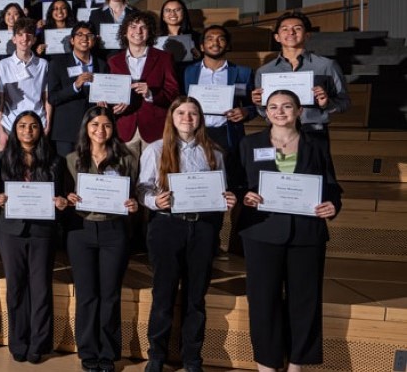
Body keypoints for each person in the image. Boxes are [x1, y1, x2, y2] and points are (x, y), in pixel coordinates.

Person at [239, 89, 341, 372]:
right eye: (273, 106)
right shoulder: (250, 143)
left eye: (287, 106)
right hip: (262, 231)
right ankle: (267, 365)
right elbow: (238, 183)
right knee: (262, 301)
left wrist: (333, 204)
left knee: (304, 302)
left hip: (307, 233)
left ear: (298, 111)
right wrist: (246, 196)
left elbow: (331, 184)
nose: (279, 111)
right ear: (266, 111)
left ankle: (297, 364)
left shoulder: (316, 143)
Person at [136, 96, 237, 372]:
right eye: (181, 112)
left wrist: (227, 199)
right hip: (167, 227)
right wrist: (155, 201)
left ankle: (192, 357)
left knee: (196, 297)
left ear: (200, 119)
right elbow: (142, 187)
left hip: (202, 228)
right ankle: (156, 355)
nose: (187, 118)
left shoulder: (214, 152)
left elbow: (221, 190)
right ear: (172, 116)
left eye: (193, 113)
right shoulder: (155, 150)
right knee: (163, 294)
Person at [63, 106, 139, 372]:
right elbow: (64, 196)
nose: (100, 130)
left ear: (113, 128)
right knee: (87, 295)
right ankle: (87, 351)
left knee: (109, 295)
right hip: (81, 232)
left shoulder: (126, 158)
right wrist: (69, 198)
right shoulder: (72, 159)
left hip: (113, 231)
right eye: (95, 125)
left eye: (106, 125)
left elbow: (136, 192)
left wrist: (134, 204)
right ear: (86, 127)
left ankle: (107, 352)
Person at [0, 111, 70, 364]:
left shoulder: (55, 161)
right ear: (15, 130)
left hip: (42, 232)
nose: (28, 131)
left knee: (40, 289)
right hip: (11, 230)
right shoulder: (3, 159)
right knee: (15, 288)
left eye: (34, 126)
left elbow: (63, 196)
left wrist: (61, 202)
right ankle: (18, 341)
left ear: (41, 130)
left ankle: (39, 343)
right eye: (23, 126)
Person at [182, 25, 256, 195]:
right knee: (199, 183)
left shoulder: (242, 73)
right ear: (201, 46)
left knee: (231, 185)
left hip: (227, 134)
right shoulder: (188, 72)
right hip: (196, 133)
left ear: (228, 45)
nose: (215, 42)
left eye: (221, 38)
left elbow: (253, 106)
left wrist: (245, 112)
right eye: (209, 38)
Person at [252, 12, 350, 138]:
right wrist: (259, 103)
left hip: (314, 131)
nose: (291, 32)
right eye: (285, 29)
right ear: (277, 37)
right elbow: (263, 112)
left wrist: (326, 104)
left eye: (297, 28)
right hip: (278, 133)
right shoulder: (264, 71)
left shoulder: (326, 65)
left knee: (315, 159)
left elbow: (344, 102)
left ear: (307, 35)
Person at [108, 11, 179, 158]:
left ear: (150, 32)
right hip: (125, 128)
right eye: (133, 27)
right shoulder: (114, 61)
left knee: (154, 177)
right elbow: (109, 93)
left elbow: (174, 94)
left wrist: (151, 94)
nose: (138, 31)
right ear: (125, 32)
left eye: (143, 27)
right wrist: (113, 105)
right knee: (126, 175)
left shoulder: (164, 58)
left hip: (156, 128)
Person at [47, 22, 105, 157]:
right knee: (66, 174)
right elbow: (53, 97)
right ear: (72, 40)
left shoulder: (102, 65)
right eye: (79, 35)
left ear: (94, 40)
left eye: (89, 35)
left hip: (94, 131)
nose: (84, 38)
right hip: (66, 131)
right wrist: (75, 86)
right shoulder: (57, 63)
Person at [0, 18, 50, 151]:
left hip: (37, 122)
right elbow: (0, 101)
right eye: (20, 34)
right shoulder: (3, 65)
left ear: (34, 39)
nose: (24, 38)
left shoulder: (43, 64)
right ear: (14, 39)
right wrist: (0, 129)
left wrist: (47, 124)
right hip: (10, 123)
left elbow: (46, 98)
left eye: (28, 35)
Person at [156, 0, 202, 81]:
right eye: (168, 10)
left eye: (177, 10)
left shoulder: (197, 37)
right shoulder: (155, 39)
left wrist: (198, 56)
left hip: (189, 80)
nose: (172, 13)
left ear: (184, 13)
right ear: (163, 16)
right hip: (164, 81)